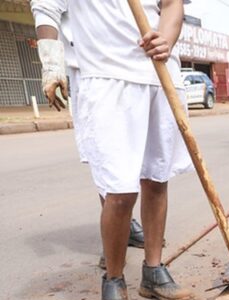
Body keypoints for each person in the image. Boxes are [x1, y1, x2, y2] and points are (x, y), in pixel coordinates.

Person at [36, 0, 196, 300]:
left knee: (156, 179)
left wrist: (166, 37)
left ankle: (153, 271)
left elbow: (171, 5)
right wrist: (51, 63)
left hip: (159, 73)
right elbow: (45, 7)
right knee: (119, 190)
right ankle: (114, 280)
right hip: (106, 76)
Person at [30, 0, 145, 267]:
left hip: (137, 72)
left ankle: (125, 223)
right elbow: (46, 6)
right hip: (94, 75)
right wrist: (51, 65)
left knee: (138, 165)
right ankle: (115, 235)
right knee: (107, 161)